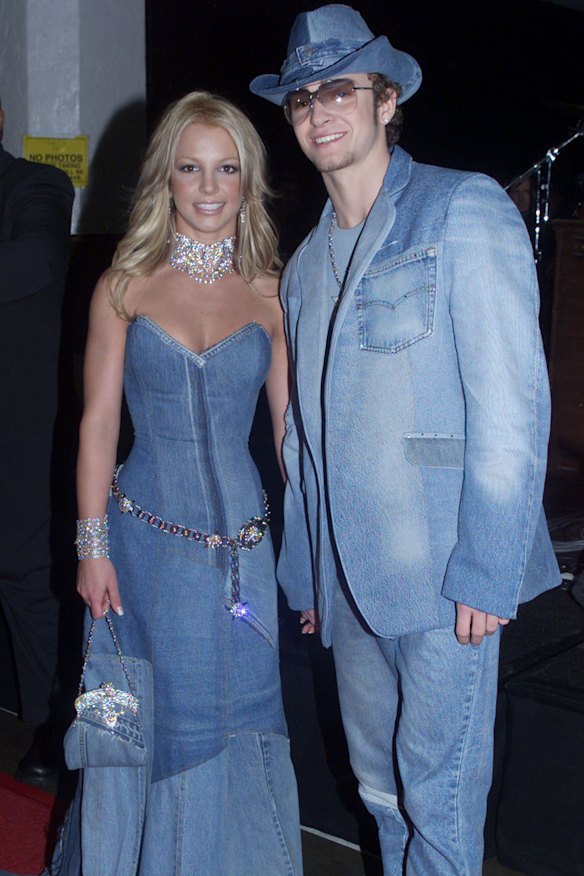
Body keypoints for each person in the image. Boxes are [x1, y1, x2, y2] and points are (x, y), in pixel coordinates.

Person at [250, 6, 561, 874]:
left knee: (438, 798)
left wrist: (489, 568)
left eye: (340, 90)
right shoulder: (304, 267)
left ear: (387, 101)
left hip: (445, 571)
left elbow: (509, 406)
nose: (319, 111)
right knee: (379, 792)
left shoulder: (460, 208)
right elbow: (303, 440)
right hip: (348, 585)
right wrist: (309, 569)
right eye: (303, 97)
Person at [50, 91, 303, 875]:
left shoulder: (273, 291)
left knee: (247, 716)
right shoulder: (123, 287)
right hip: (147, 550)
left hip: (245, 555)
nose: (208, 187)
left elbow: (291, 438)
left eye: (226, 168)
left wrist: (314, 556)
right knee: (161, 727)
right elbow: (97, 425)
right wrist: (92, 548)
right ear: (165, 176)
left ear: (248, 178)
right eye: (190, 168)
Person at [0, 96, 74, 783]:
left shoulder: (35, 185)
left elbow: (40, 261)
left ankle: (58, 726)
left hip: (21, 428)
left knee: (25, 575)